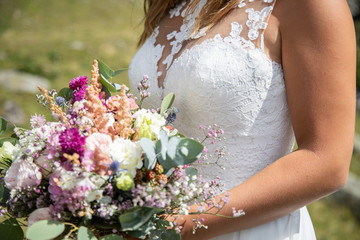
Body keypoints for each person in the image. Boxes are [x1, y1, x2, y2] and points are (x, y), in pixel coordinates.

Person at [128, 0, 356, 239]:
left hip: (248, 231)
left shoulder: (310, 6)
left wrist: (179, 226)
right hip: (143, 224)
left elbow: (326, 162)